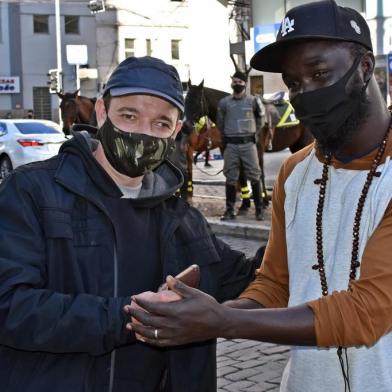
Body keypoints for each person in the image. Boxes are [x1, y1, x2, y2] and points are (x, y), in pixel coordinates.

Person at [128, 2, 392, 391]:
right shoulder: (295, 172)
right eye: (295, 84)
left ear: (365, 67)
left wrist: (223, 321)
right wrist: (205, 313)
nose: (306, 94)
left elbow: (367, 311)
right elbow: (275, 284)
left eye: (319, 73)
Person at [0, 56, 263, 392]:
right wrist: (130, 316)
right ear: (100, 112)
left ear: (176, 131)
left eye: (161, 124)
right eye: (129, 116)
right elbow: (10, 306)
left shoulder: (181, 216)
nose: (143, 133)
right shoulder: (31, 193)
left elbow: (245, 275)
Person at [217, 70, 265, 221]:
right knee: (230, 177)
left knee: (254, 176)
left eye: (240, 82)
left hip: (248, 144)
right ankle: (229, 210)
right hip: (231, 145)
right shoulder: (224, 103)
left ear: (245, 83)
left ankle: (259, 210)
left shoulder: (253, 101)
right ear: (232, 83)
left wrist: (253, 133)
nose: (237, 84)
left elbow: (261, 121)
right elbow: (220, 122)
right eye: (235, 81)